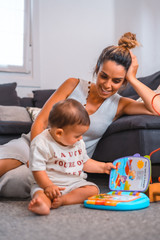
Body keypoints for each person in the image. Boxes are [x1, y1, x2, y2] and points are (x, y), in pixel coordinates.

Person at [0, 32, 160, 198]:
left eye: (116, 80)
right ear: (97, 69)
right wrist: (37, 155)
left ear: (123, 81)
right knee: (6, 162)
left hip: (65, 162)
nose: (107, 85)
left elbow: (157, 108)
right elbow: (40, 123)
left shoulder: (121, 104)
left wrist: (133, 78)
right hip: (35, 144)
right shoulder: (72, 84)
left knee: (14, 181)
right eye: (103, 76)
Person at [28, 99, 115, 215]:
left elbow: (84, 162)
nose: (80, 138)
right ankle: (42, 204)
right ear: (59, 133)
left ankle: (64, 200)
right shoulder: (41, 143)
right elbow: (38, 169)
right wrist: (48, 186)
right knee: (40, 193)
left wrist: (103, 167)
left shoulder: (78, 142)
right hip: (49, 184)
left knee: (93, 190)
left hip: (74, 184)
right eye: (77, 135)